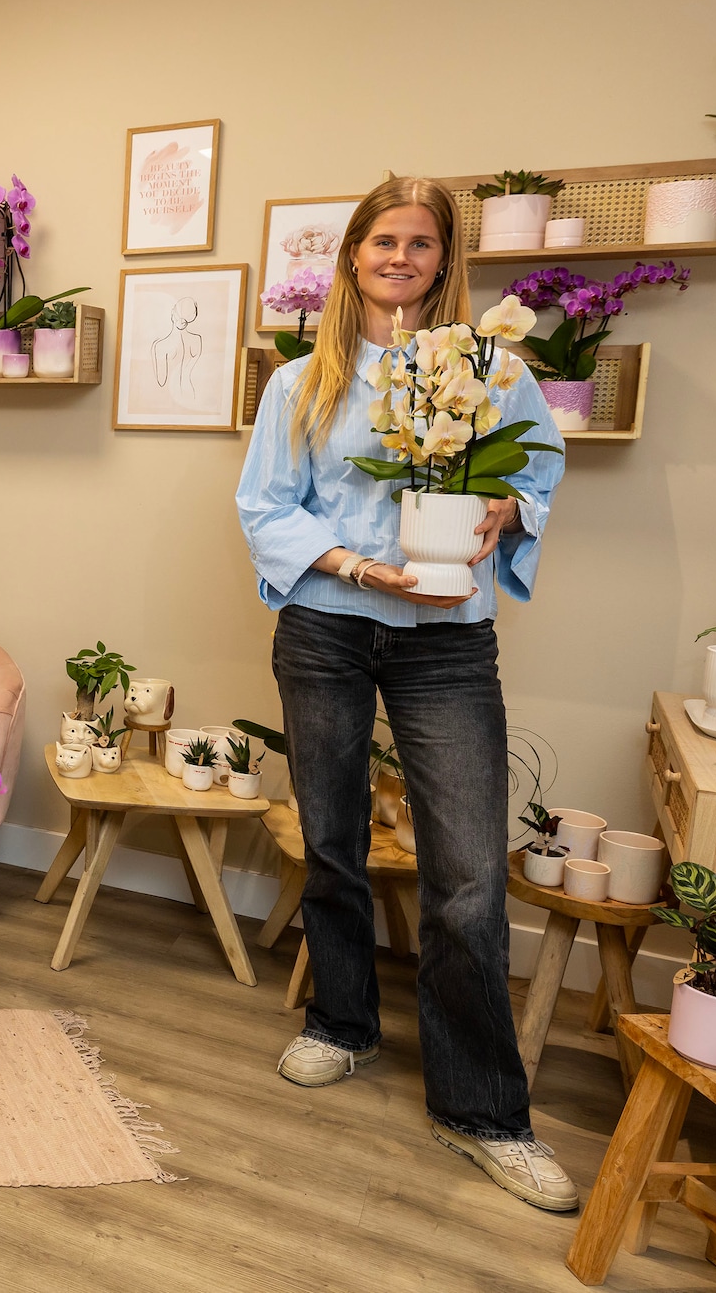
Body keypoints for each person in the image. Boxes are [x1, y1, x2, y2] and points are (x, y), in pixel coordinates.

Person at [234, 176, 572, 1211]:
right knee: (330, 839)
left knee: (466, 872)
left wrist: (504, 516)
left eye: (419, 243)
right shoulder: (303, 381)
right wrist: (350, 564)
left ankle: (482, 1111)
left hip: (445, 642)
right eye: (383, 239)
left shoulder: (491, 370)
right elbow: (263, 504)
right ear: (351, 254)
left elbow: (540, 473)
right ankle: (338, 1023)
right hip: (328, 627)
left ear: (442, 259)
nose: (399, 256)